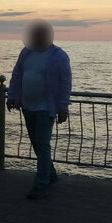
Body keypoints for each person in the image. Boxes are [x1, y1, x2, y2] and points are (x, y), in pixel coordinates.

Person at [7, 20, 72, 200]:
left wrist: (63, 107)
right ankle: (50, 174)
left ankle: (41, 184)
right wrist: (11, 95)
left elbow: (65, 83)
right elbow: (17, 75)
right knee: (37, 144)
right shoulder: (26, 52)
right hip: (27, 105)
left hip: (45, 108)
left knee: (42, 144)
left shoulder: (59, 56)